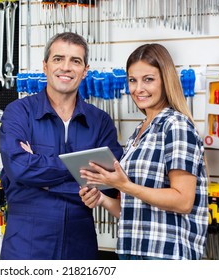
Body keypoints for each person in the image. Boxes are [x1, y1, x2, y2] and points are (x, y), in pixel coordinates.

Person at [0, 32, 123, 260]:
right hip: (26, 246)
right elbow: (19, 168)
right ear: (45, 66)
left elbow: (110, 182)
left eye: (75, 61)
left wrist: (41, 181)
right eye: (58, 59)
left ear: (85, 70)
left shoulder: (100, 121)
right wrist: (80, 169)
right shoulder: (19, 113)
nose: (66, 67)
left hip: (80, 246)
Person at [79, 43, 208, 260]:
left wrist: (125, 185)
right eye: (132, 80)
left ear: (165, 80)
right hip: (133, 253)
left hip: (166, 256)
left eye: (148, 79)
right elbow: (135, 210)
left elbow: (183, 201)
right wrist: (101, 199)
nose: (138, 89)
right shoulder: (140, 131)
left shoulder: (175, 125)